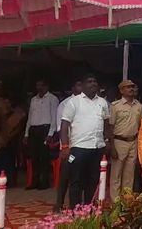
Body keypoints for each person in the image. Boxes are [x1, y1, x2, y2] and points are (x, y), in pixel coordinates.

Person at [59, 74, 111, 207]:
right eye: (89, 81)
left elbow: (106, 123)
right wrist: (65, 146)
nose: (93, 84)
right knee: (75, 181)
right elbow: (64, 125)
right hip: (79, 148)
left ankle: (88, 208)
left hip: (97, 147)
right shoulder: (74, 102)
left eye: (95, 81)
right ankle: (75, 210)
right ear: (82, 85)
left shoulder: (102, 102)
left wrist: (107, 141)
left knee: (93, 180)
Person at [109, 79, 142, 200]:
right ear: (121, 90)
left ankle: (126, 201)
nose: (131, 89)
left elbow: (140, 126)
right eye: (128, 87)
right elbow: (110, 127)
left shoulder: (139, 106)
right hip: (119, 141)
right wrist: (111, 146)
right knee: (116, 173)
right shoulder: (115, 106)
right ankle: (115, 201)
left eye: (132, 87)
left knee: (129, 174)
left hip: (133, 141)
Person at [54, 79, 82, 212]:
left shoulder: (85, 103)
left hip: (82, 147)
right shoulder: (64, 104)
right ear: (73, 88)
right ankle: (58, 204)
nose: (81, 87)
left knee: (78, 177)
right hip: (68, 147)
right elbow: (61, 128)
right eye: (78, 84)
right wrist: (66, 147)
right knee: (65, 176)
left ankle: (75, 205)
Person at [24, 80, 58, 190]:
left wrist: (50, 134)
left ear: (47, 86)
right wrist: (26, 133)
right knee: (34, 156)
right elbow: (30, 117)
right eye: (37, 85)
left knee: (44, 157)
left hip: (45, 129)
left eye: (41, 85)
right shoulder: (34, 99)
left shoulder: (52, 99)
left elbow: (54, 117)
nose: (39, 87)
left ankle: (44, 182)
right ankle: (34, 181)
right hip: (34, 129)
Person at [0, 98, 26, 187]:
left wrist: (9, 136)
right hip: (1, 140)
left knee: (11, 161)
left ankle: (11, 181)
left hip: (13, 140)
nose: (6, 103)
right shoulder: (0, 114)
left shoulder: (17, 114)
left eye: (7, 101)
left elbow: (19, 127)